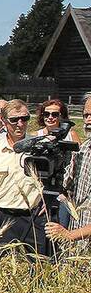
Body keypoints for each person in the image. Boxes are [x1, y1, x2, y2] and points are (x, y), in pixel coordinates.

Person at [0, 99, 49, 259]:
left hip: (33, 216)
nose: (20, 124)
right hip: (1, 216)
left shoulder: (41, 149)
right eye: (14, 120)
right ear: (3, 121)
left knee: (39, 267)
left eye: (24, 119)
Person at [46, 93, 91, 253]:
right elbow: (69, 192)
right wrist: (46, 201)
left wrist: (70, 235)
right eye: (86, 115)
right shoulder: (84, 149)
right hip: (79, 240)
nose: (88, 120)